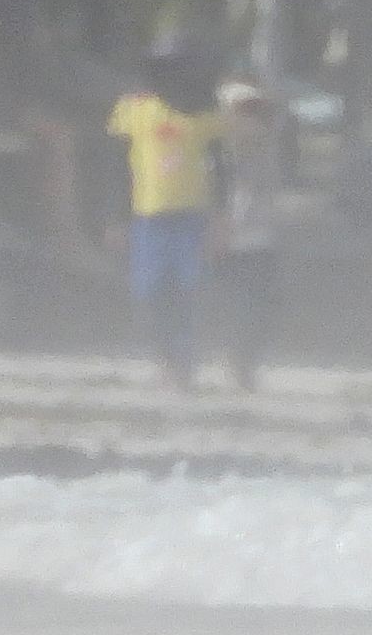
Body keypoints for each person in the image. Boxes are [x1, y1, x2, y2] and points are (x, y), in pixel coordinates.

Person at [106, 50, 224, 392]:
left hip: (192, 219)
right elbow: (117, 167)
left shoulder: (205, 113)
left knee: (189, 291)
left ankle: (183, 366)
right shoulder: (135, 110)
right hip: (147, 219)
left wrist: (221, 216)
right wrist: (115, 217)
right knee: (149, 292)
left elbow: (221, 167)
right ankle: (165, 359)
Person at [213, 83, 286, 393]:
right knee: (233, 306)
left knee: (254, 308)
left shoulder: (264, 156)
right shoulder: (217, 158)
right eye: (240, 113)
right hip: (228, 244)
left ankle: (245, 366)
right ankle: (235, 363)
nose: (248, 121)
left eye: (254, 114)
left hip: (258, 242)